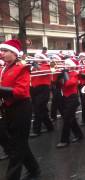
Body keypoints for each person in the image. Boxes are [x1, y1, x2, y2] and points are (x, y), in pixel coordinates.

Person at [0, 39, 40, 179]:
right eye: (2, 51)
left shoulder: (22, 68)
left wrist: (1, 90)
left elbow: (21, 91)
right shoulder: (4, 67)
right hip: (7, 107)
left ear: (14, 53)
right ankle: (33, 167)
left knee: (17, 145)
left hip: (21, 108)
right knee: (16, 143)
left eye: (5, 51)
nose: (2, 53)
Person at [56, 59, 83, 148]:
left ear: (71, 66)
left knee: (67, 119)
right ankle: (79, 134)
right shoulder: (64, 73)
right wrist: (59, 74)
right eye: (65, 64)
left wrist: (65, 73)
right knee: (71, 118)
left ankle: (64, 140)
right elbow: (57, 84)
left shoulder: (75, 74)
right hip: (65, 98)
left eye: (67, 64)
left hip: (73, 99)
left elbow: (68, 84)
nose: (65, 65)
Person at [29, 53, 54, 137]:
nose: (35, 59)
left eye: (38, 58)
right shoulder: (33, 66)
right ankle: (50, 126)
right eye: (35, 57)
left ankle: (37, 130)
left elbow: (44, 71)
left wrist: (35, 66)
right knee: (42, 110)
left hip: (43, 90)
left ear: (42, 59)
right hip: (34, 89)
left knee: (38, 110)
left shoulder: (47, 65)